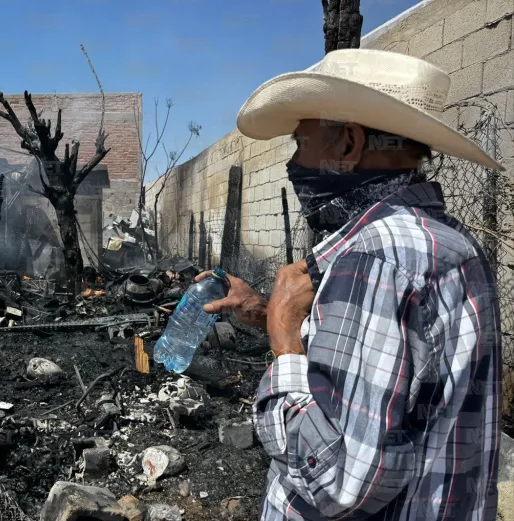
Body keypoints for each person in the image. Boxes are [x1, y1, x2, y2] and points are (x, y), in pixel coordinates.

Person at [197, 49, 504, 521]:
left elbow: (338, 483)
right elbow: (390, 376)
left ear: (347, 146)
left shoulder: (377, 256)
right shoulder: (452, 243)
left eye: (301, 142)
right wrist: (266, 312)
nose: (293, 163)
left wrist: (284, 345)